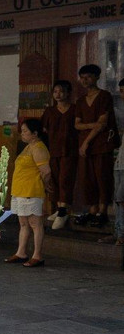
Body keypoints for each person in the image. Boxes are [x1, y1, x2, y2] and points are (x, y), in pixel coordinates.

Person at [73, 64, 118, 227]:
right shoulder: (80, 101)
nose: (85, 80)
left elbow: (102, 124)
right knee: (88, 178)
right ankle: (92, 210)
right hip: (85, 146)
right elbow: (77, 125)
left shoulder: (104, 96)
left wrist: (86, 141)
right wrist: (92, 125)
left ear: (97, 77)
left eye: (88, 77)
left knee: (102, 176)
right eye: (82, 78)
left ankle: (103, 211)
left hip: (101, 144)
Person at [7, 119, 52, 266]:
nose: (22, 133)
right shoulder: (28, 146)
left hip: (31, 191)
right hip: (20, 190)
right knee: (23, 223)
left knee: (35, 224)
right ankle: (21, 253)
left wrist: (44, 185)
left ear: (35, 133)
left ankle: (37, 255)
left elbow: (46, 171)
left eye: (25, 131)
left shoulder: (39, 148)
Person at [41, 80, 77, 229]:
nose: (58, 94)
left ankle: (63, 211)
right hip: (53, 150)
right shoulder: (50, 111)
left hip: (70, 150)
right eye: (55, 91)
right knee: (55, 179)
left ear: (68, 93)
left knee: (65, 179)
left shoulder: (74, 109)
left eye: (61, 91)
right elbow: (44, 131)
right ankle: (59, 208)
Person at [111, 78, 124, 246]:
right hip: (120, 161)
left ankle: (121, 233)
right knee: (118, 200)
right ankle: (118, 232)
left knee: (121, 199)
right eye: (121, 91)